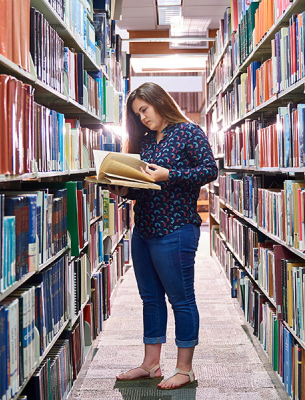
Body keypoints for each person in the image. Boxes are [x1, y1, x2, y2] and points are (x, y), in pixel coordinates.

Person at [111, 82, 218, 390]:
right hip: (144, 228)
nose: (142, 117)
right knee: (150, 300)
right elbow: (143, 182)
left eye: (144, 109)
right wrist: (124, 188)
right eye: (137, 114)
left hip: (176, 228)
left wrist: (169, 175)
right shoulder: (144, 139)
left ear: (160, 102)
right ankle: (151, 365)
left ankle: (185, 369)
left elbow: (209, 170)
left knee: (181, 299)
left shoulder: (187, 131)